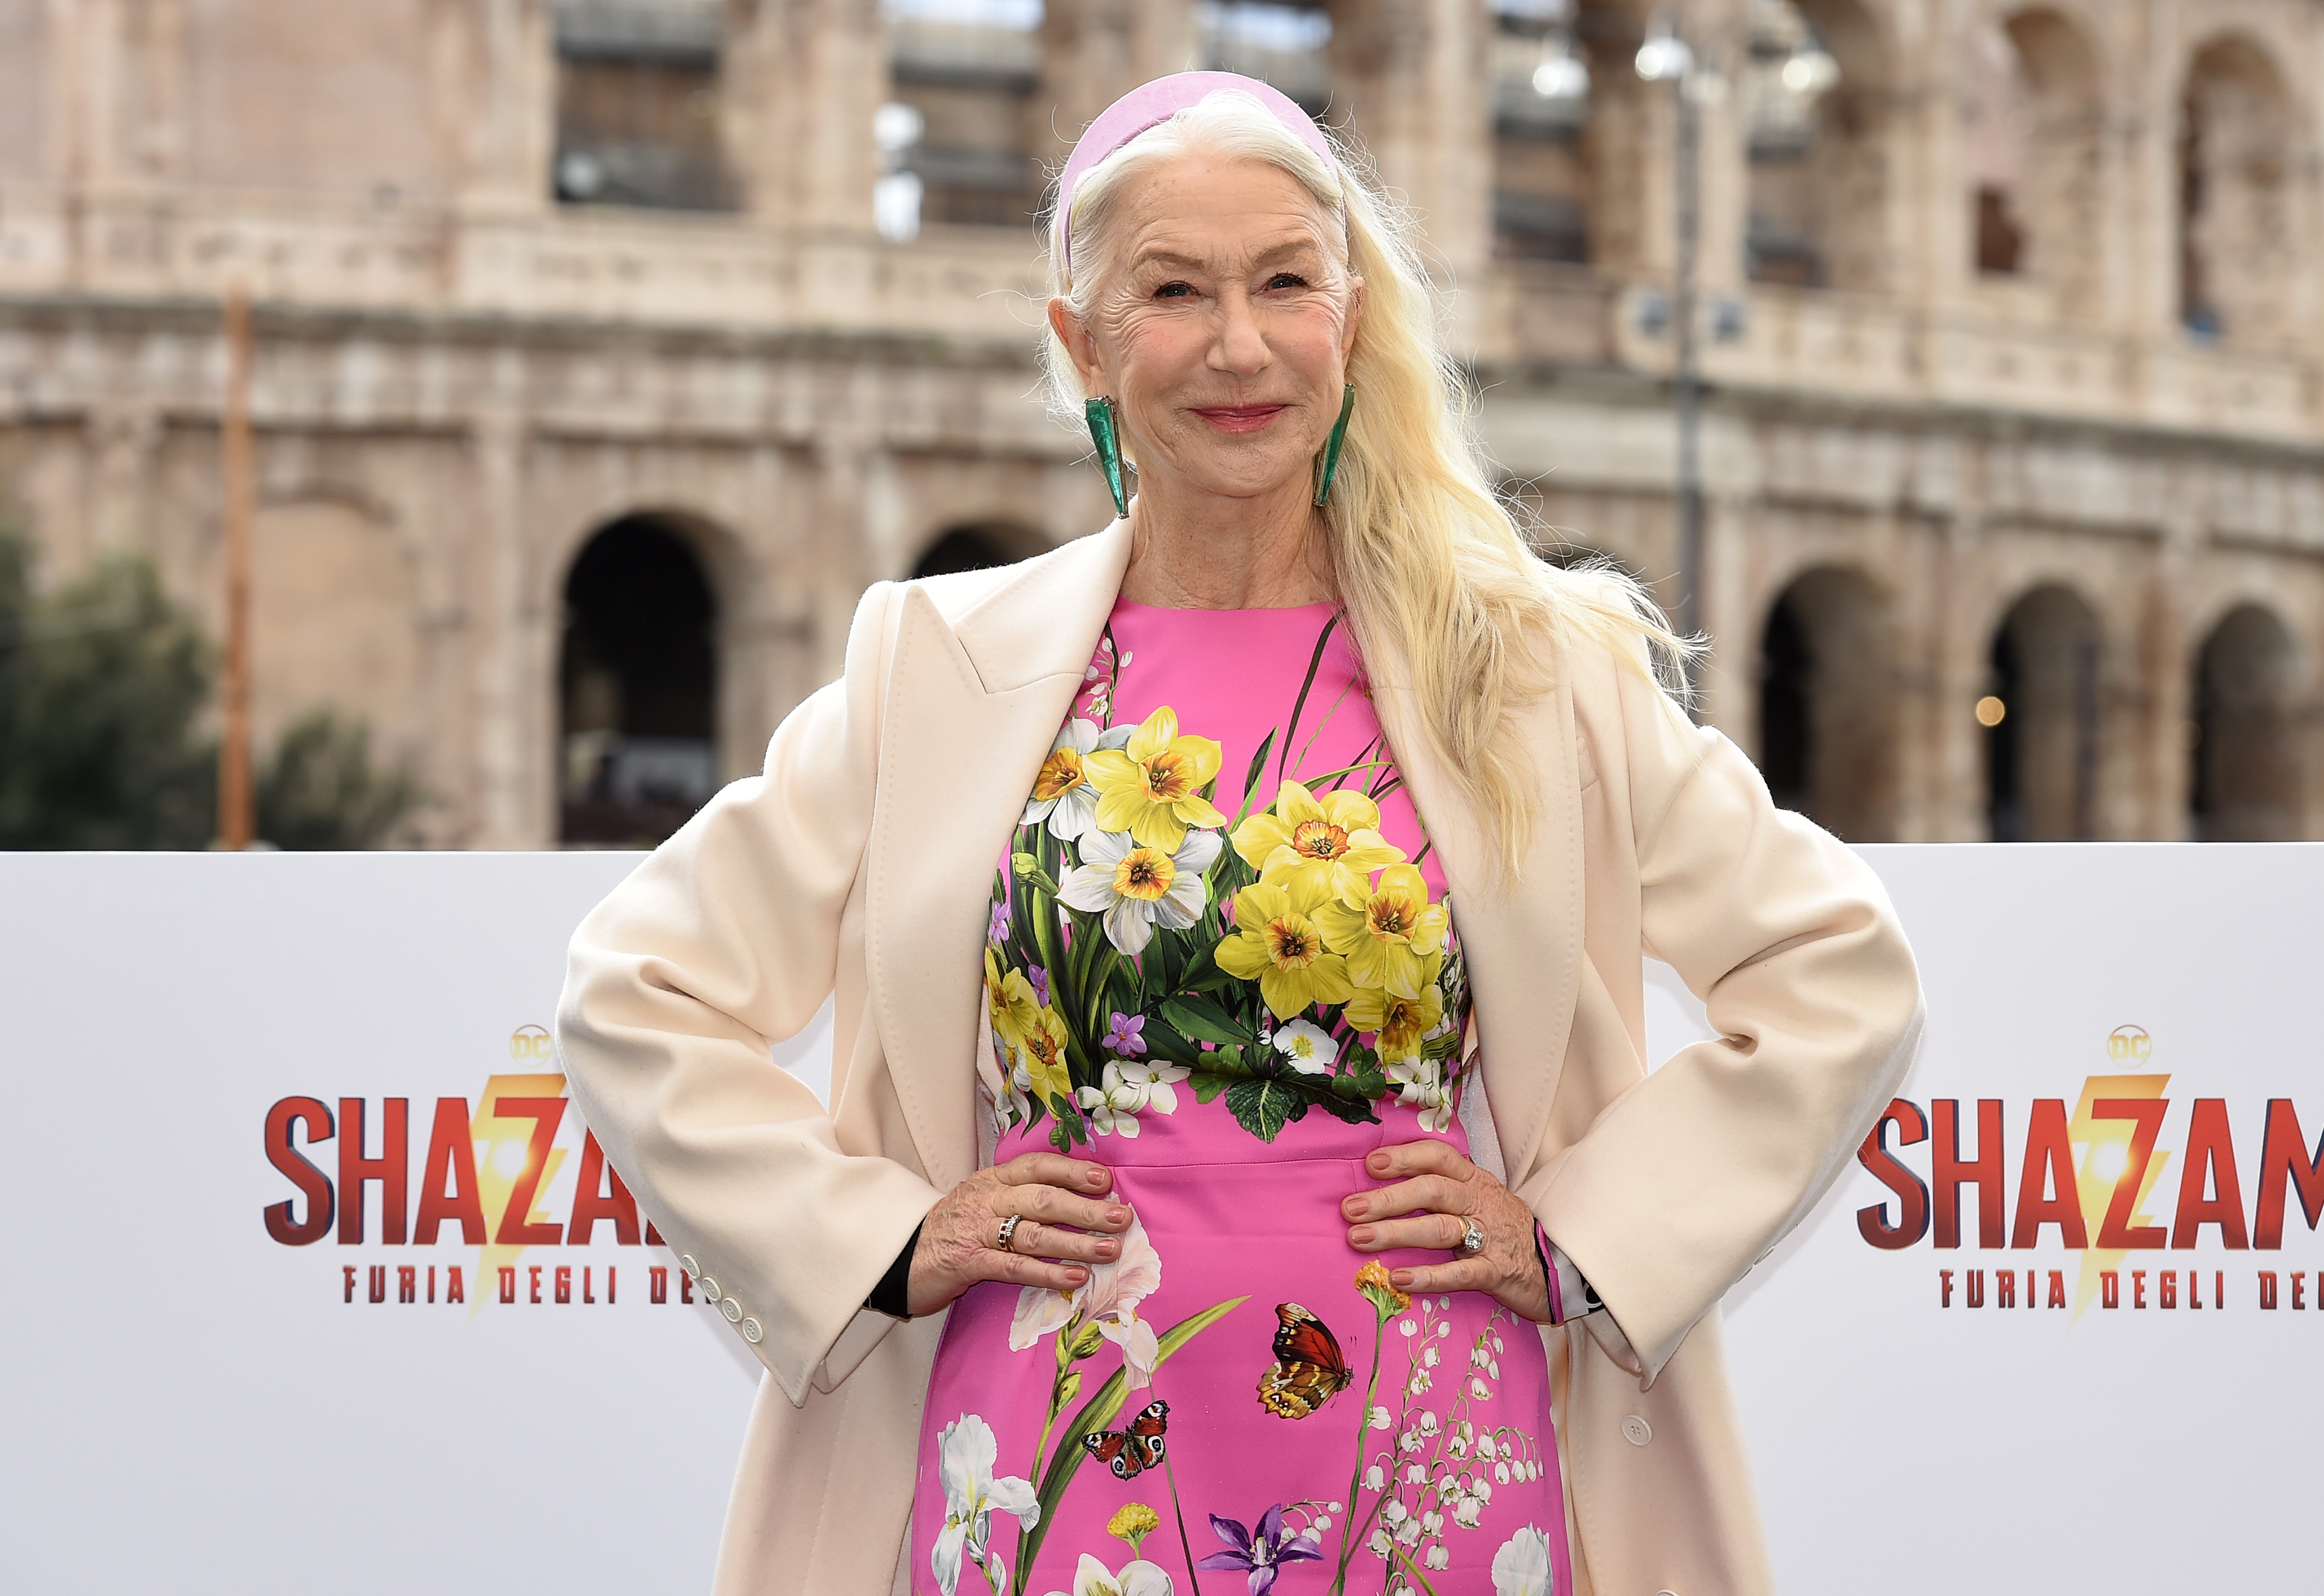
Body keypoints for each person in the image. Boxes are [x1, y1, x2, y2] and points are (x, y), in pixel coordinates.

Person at [559, 72, 1921, 1596]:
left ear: (1349, 318)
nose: (1238, 344)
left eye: (1284, 283)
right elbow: (636, 987)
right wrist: (876, 1243)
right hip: (1049, 1437)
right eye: (1172, 291)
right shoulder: (934, 661)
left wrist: (1582, 1242)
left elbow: (1835, 966)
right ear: (1078, 345)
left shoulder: (1528, 666)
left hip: (1428, 1448)